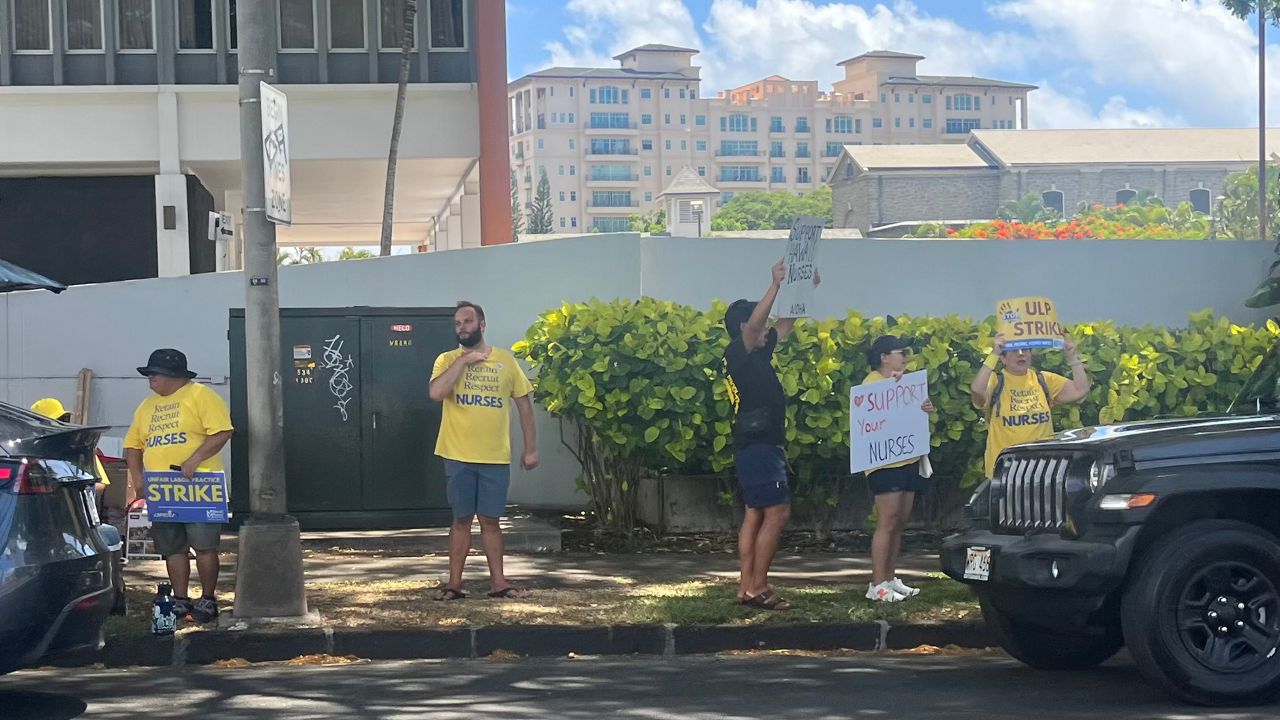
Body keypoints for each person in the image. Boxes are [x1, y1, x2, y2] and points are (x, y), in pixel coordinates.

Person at [724, 259, 820, 611]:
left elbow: (786, 322)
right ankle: (758, 587)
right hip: (759, 445)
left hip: (757, 445)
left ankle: (746, 586)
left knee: (755, 513)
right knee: (777, 512)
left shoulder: (758, 355)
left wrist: (805, 287)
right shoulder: (738, 352)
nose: (767, 331)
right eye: (760, 325)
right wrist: (776, 285)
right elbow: (756, 326)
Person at [429, 301, 538, 601]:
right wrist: (463, 362)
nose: (461, 328)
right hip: (457, 454)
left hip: (494, 457)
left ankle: (499, 583)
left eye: (467, 321)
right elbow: (436, 393)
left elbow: (524, 405)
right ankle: (454, 584)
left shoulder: (506, 361)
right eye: (457, 324)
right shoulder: (447, 360)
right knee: (461, 519)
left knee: (491, 521)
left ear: (482, 324)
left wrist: (531, 449)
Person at [124, 349, 233, 624]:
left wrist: (195, 459)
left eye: (155, 374)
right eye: (149, 375)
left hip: (200, 485)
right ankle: (181, 599)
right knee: (173, 547)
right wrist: (139, 481)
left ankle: (207, 599)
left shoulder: (201, 396)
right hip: (162, 488)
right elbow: (133, 447)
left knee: (205, 545)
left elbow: (222, 431)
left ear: (174, 376)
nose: (150, 380)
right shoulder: (146, 406)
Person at [861, 336, 935, 603]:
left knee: (900, 521)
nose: (905, 356)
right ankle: (877, 583)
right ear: (883, 357)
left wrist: (924, 408)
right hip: (884, 464)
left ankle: (890, 578)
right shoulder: (871, 384)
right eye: (900, 352)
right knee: (887, 520)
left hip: (908, 459)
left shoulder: (907, 383)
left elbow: (911, 417)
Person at [970, 333, 1091, 479]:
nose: (1021, 354)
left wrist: (1072, 357)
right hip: (1005, 471)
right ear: (1003, 358)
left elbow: (1081, 389)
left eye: (1026, 350)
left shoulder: (1044, 380)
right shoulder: (995, 381)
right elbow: (977, 390)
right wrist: (993, 354)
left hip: (1043, 469)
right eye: (1015, 350)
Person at [30, 397, 111, 503]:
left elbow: (101, 485)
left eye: (63, 420)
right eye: (58, 421)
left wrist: (79, 489)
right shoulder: (29, 451)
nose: (61, 424)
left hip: (74, 509)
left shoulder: (80, 448)